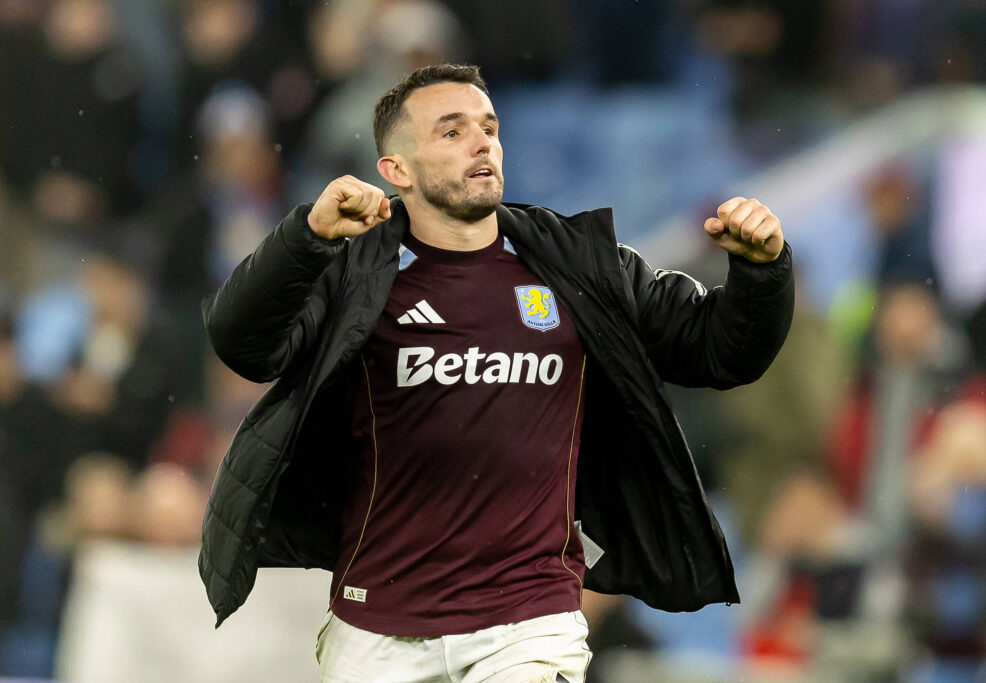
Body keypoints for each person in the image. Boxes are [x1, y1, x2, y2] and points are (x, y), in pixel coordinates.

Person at [200, 63, 794, 682]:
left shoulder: (580, 266)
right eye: (451, 132)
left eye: (489, 127)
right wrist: (306, 238)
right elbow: (244, 345)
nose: (482, 142)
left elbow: (720, 350)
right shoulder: (355, 274)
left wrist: (762, 274)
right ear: (396, 170)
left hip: (526, 626)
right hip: (377, 626)